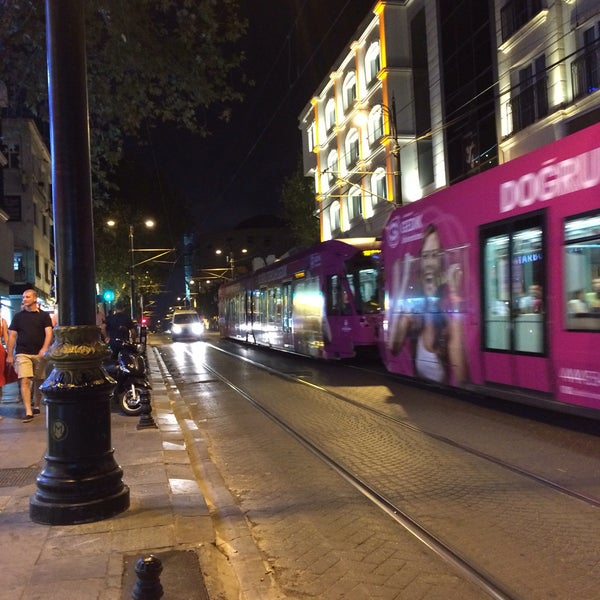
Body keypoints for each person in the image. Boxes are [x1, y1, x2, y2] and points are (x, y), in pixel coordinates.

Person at [388, 223, 468, 385]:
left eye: (435, 254)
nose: (430, 262)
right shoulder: (413, 315)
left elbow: (462, 378)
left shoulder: (448, 319)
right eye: (425, 256)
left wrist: (454, 293)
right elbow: (393, 347)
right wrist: (404, 280)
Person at [6, 289, 53, 423]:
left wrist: (44, 349)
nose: (24, 299)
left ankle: (36, 404)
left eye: (27, 297)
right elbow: (12, 336)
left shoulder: (44, 316)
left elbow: (49, 333)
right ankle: (28, 410)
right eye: (23, 297)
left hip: (39, 354)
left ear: (34, 299)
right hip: (23, 353)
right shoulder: (18, 317)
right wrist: (10, 354)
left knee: (38, 380)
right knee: (25, 380)